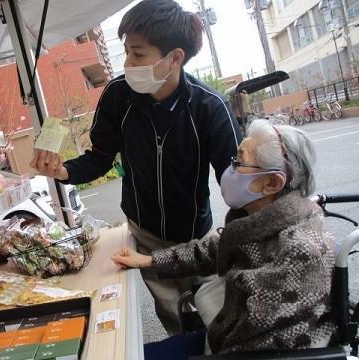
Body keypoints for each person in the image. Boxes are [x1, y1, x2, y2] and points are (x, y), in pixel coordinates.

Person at [30, 0, 241, 335]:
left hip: (195, 236)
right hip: (143, 233)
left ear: (175, 58)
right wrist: (63, 171)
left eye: (138, 54)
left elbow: (237, 185)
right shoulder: (118, 95)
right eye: (126, 52)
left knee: (213, 316)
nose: (127, 63)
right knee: (173, 318)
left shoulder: (209, 108)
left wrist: (236, 240)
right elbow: (100, 157)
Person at [112, 119, 336, 358]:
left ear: (271, 183)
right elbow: (215, 249)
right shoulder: (264, 221)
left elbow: (250, 343)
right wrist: (149, 261)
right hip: (224, 336)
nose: (231, 169)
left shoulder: (299, 252)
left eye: (240, 161)